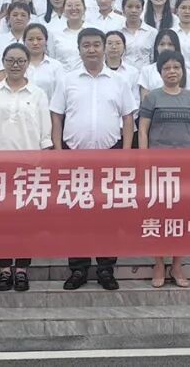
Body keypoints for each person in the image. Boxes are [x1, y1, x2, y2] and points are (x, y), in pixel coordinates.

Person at [51, 28, 137, 291]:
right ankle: (78, 268)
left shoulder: (119, 81)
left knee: (108, 215)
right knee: (76, 215)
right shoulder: (67, 80)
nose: (91, 49)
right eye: (86, 45)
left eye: (96, 44)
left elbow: (128, 119)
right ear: (79, 49)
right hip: (74, 156)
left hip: (110, 155)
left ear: (104, 48)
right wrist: (58, 151)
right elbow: (57, 116)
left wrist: (126, 154)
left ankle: (105, 268)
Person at [0, 43, 51, 292]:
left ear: (28, 63)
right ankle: (4, 269)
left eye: (20, 60)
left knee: (25, 221)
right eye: (10, 60)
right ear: (3, 62)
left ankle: (21, 269)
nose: (15, 65)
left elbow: (45, 135)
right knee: (1, 221)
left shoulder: (38, 94)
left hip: (28, 166)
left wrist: (42, 166)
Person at [139, 50, 190, 288]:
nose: (172, 72)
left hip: (185, 168)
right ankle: (158, 263)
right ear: (160, 72)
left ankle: (177, 264)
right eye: (167, 68)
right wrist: (144, 160)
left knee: (182, 217)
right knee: (157, 216)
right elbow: (143, 130)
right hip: (158, 168)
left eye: (176, 67)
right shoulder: (152, 98)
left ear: (183, 71)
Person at [47, 0, 91, 71]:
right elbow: (51, 58)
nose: (73, 8)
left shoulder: (93, 30)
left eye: (77, 5)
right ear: (63, 10)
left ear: (84, 9)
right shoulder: (53, 32)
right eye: (69, 5)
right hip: (61, 75)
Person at [120, 0, 157, 70]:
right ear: (123, 9)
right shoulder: (117, 32)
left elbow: (153, 58)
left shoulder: (152, 32)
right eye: (130, 7)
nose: (134, 10)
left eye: (137, 7)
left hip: (145, 74)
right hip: (123, 73)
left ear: (142, 9)